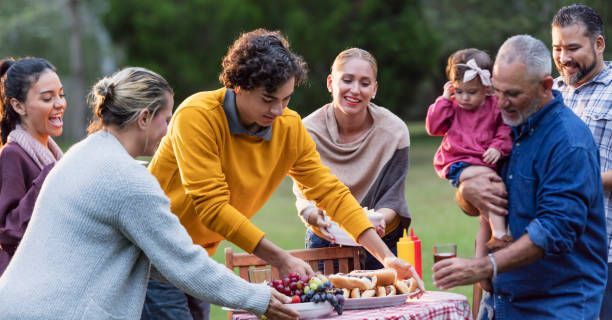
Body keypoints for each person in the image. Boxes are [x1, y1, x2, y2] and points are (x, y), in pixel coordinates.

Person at [146, 29, 424, 319]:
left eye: (286, 99)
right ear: (238, 84)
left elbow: (330, 192)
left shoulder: (289, 127)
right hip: (153, 252)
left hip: (196, 258)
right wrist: (280, 258)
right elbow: (212, 207)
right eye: (268, 99)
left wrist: (387, 258)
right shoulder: (198, 115)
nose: (278, 110)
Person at [0, 67, 299, 320]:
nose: (169, 131)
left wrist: (238, 290)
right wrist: (259, 299)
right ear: (144, 118)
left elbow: (162, 262)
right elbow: (184, 263)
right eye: (165, 119)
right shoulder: (127, 180)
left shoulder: (83, 152)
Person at [433, 34, 607, 319]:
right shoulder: (504, 126)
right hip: (503, 301)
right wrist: (465, 193)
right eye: (497, 91)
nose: (501, 103)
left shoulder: (568, 142)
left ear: (545, 86)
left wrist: (484, 266)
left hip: (557, 306)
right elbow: (476, 202)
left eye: (513, 94)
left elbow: (555, 229)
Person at [292, 48, 411, 270]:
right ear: (330, 83)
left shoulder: (394, 132)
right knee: (325, 303)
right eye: (347, 80)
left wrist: (377, 219)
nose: (355, 90)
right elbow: (304, 193)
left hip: (381, 239)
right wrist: (311, 214)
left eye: (365, 83)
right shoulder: (306, 130)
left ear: (374, 89)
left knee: (384, 303)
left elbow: (392, 197)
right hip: (327, 239)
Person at [551, 4, 612, 318]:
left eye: (573, 47)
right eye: (557, 48)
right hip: (554, 249)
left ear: (598, 44)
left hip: (605, 252)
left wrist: (580, 184)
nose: (563, 58)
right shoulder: (549, 94)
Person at [425, 48, 513, 256]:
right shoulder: (452, 105)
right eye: (459, 90)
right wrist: (444, 100)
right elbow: (433, 127)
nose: (464, 97)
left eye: (471, 92)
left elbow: (505, 129)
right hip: (457, 162)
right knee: (493, 182)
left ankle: (497, 236)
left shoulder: (494, 106)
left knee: (490, 190)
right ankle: (501, 234)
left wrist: (497, 147)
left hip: (483, 161)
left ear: (487, 88)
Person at [0, 57, 64, 276]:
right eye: (48, 98)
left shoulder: (54, 156)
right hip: (23, 282)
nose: (59, 104)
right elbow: (8, 232)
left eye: (61, 95)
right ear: (18, 105)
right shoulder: (12, 155)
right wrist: (48, 178)